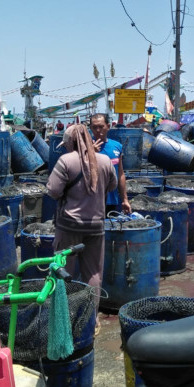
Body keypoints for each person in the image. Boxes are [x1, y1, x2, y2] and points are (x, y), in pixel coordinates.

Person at [46, 124, 117, 316]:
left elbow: (53, 191)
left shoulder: (65, 161)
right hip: (96, 225)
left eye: (66, 143)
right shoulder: (104, 160)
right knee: (93, 273)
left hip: (69, 225)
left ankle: (64, 317)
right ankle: (90, 319)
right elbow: (112, 186)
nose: (66, 147)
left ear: (70, 142)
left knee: (63, 271)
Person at [89, 113, 131, 215]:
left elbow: (120, 174)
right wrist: (90, 152)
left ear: (108, 126)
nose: (98, 130)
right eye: (95, 127)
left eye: (101, 126)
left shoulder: (117, 146)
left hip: (112, 201)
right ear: (90, 128)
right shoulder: (84, 147)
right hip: (90, 202)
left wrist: (125, 199)